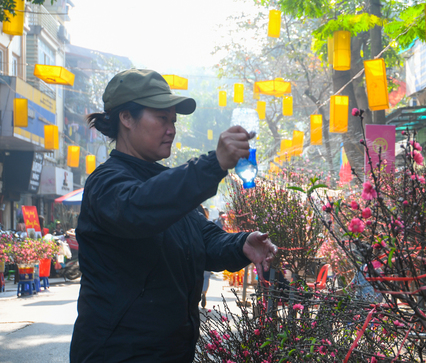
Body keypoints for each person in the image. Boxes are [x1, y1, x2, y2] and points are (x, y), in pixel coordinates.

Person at [70, 69, 277, 362]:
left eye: (173, 121)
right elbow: (139, 209)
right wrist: (214, 163)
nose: (171, 129)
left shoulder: (165, 186)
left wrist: (240, 244)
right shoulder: (106, 183)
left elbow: (202, 238)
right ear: (126, 118)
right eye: (162, 119)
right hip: (117, 353)